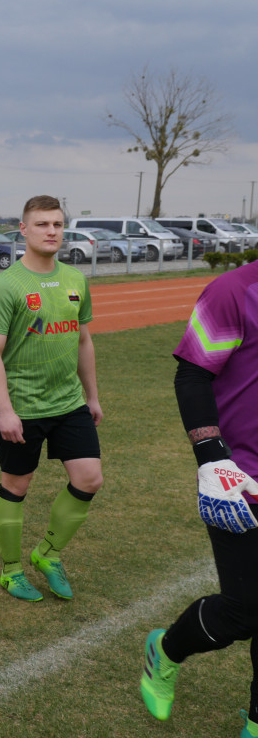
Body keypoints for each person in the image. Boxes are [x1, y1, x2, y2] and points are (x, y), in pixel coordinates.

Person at [138, 257, 258, 737]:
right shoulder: (233, 291)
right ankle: (164, 651)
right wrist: (211, 456)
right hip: (237, 478)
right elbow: (192, 375)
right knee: (244, 610)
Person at [0, 194, 103, 602]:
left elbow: (83, 340)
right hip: (23, 408)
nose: (52, 231)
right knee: (17, 485)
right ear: (24, 229)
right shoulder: (6, 285)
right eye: (44, 224)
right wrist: (6, 412)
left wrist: (92, 396)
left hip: (69, 404)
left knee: (89, 478)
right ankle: (11, 570)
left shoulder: (75, 280)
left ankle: (47, 554)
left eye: (58, 224)